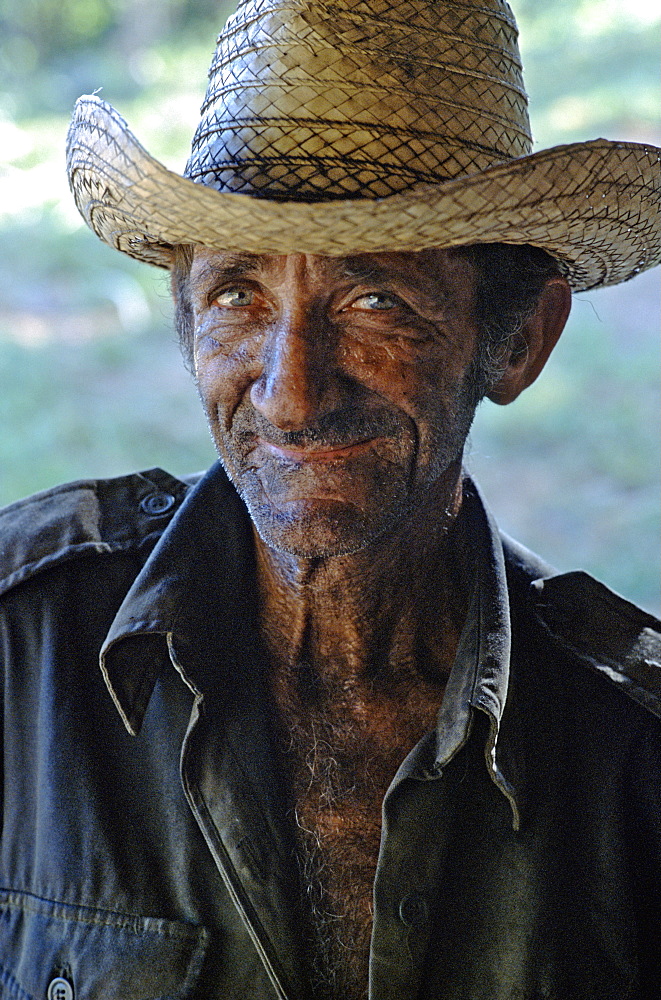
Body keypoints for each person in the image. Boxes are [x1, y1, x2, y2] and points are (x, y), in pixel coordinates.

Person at [1, 1, 660, 997]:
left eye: (375, 300)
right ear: (184, 321)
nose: (292, 395)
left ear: (518, 340)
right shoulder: (23, 647)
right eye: (239, 295)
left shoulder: (626, 753)